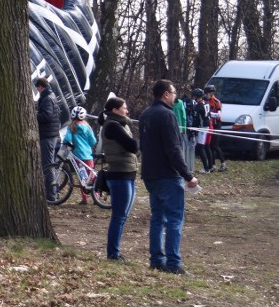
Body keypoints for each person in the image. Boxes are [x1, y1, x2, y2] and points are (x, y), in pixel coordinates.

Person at [139, 79, 200, 275]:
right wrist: (188, 175)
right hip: (166, 174)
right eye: (173, 93)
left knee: (158, 217)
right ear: (165, 94)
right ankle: (173, 263)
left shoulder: (145, 114)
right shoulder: (167, 115)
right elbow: (173, 149)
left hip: (150, 173)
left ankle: (156, 260)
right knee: (174, 219)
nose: (175, 96)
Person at [97, 97, 138, 260]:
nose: (127, 111)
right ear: (115, 110)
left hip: (128, 173)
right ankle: (113, 253)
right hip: (119, 174)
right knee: (119, 216)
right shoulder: (113, 126)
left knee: (122, 216)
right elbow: (133, 146)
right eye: (124, 107)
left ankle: (115, 251)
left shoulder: (121, 124)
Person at [63, 105, 97, 204]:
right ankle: (96, 196)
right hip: (88, 155)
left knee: (82, 177)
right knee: (92, 177)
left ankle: (84, 199)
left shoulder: (71, 127)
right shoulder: (87, 127)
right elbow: (93, 142)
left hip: (78, 155)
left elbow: (67, 140)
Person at [36, 77, 61, 202]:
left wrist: (33, 115)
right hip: (50, 134)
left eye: (38, 88)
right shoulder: (51, 96)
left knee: (48, 165)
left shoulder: (46, 98)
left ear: (41, 87)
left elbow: (47, 116)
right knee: (49, 163)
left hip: (47, 135)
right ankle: (53, 192)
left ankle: (51, 195)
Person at [190, 88, 214, 173]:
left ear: (196, 96)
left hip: (202, 128)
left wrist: (193, 129)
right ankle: (209, 166)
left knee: (201, 147)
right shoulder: (206, 103)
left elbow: (196, 120)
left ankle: (206, 168)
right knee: (203, 147)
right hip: (206, 126)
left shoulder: (198, 106)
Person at [204, 84, 227, 171]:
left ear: (211, 93)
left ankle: (223, 163)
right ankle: (213, 164)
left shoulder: (216, 101)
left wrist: (211, 114)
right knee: (209, 145)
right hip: (210, 124)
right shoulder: (206, 101)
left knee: (215, 145)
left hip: (216, 124)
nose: (206, 95)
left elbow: (219, 114)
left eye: (207, 93)